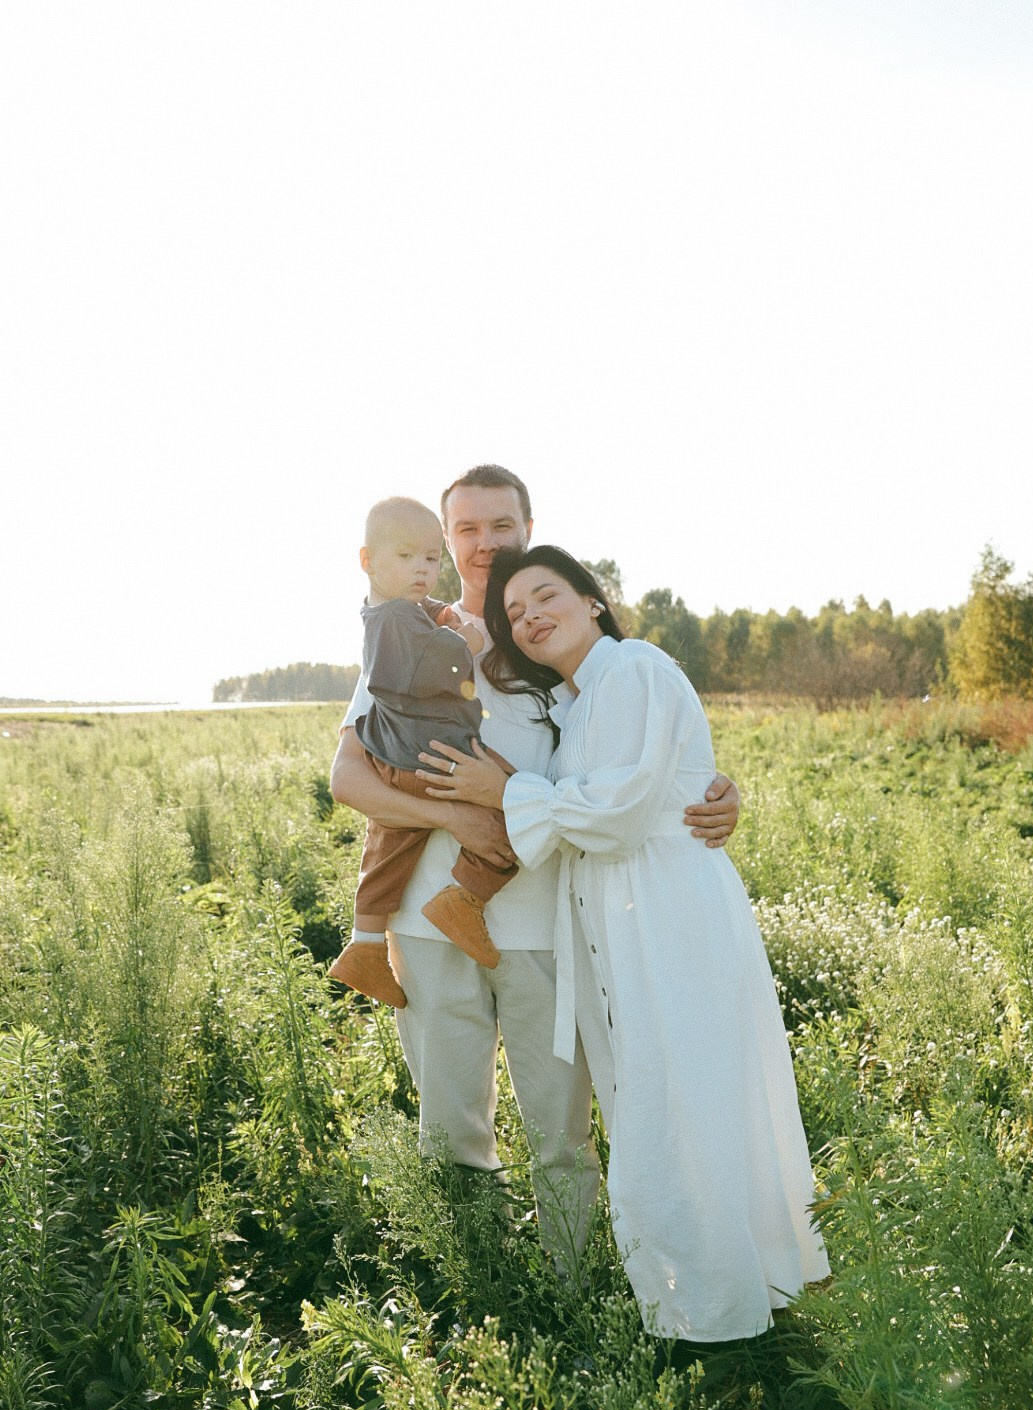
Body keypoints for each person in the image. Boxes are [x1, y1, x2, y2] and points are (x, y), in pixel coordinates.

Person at [416, 544, 829, 1342]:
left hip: (667, 913)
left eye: (547, 597)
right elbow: (620, 795)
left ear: (593, 602)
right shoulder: (579, 702)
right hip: (627, 918)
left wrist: (506, 790)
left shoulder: (633, 668)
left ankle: (719, 1310)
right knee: (659, 1100)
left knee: (686, 1097)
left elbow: (617, 812)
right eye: (514, 613)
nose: (530, 616)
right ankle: (714, 1294)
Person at [329, 466, 741, 1265]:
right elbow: (348, 779)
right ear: (448, 544)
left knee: (562, 1134)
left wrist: (716, 794)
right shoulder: (410, 637)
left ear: (527, 529)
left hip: (550, 927)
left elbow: (645, 752)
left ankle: (571, 1290)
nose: (486, 543)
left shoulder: (555, 648)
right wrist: (457, 813)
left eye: (501, 526)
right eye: (468, 529)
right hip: (428, 922)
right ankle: (480, 1287)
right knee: (450, 1129)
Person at [329, 496, 517, 1010]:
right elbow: (427, 667)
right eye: (408, 557)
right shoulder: (394, 623)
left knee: (389, 848)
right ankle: (466, 896)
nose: (422, 569)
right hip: (432, 754)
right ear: (368, 561)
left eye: (429, 560)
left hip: (412, 755)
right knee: (523, 799)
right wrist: (469, 644)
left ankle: (366, 945)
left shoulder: (400, 614)